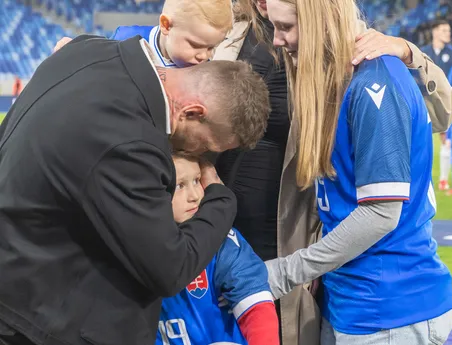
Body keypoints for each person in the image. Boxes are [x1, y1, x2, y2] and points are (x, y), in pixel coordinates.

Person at [215, 1, 452, 345]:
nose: (279, 40)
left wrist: (283, 272)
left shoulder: (375, 82)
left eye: (286, 27)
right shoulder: (331, 80)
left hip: (389, 307)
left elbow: (380, 215)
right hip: (350, 300)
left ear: (319, 23)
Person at [0, 35, 270, 345]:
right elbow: (171, 268)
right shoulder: (131, 144)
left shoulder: (86, 49)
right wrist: (221, 200)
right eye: (207, 147)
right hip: (40, 321)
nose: (204, 159)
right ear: (193, 113)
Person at [158, 153, 278, 345]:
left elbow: (257, 306)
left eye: (197, 181)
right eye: (180, 186)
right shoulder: (137, 244)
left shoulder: (222, 241)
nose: (195, 196)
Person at [53, 0, 232, 68]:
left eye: (211, 47)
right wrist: (73, 54)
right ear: (166, 26)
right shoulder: (126, 39)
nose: (204, 56)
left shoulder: (204, 69)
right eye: (195, 45)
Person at [422, 20, 452, 191]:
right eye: (444, 30)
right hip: (425, 103)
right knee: (422, 142)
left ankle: (444, 179)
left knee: (447, 141)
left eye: (449, 30)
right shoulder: (422, 53)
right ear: (435, 32)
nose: (448, 33)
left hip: (446, 104)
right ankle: (424, 180)